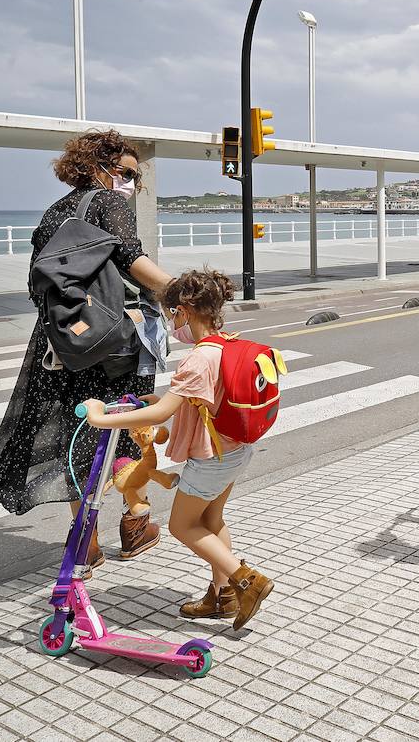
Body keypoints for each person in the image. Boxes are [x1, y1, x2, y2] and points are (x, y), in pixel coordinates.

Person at [0, 129, 174, 578]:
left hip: (63, 343)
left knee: (76, 436)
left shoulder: (53, 213)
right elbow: (131, 257)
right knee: (125, 426)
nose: (130, 184)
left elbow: (39, 283)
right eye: (126, 173)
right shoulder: (106, 203)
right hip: (111, 342)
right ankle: (136, 521)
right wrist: (179, 292)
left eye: (135, 178)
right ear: (96, 167)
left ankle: (84, 543)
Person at [84, 268, 274, 630]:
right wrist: (167, 397)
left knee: (183, 526)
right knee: (212, 521)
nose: (172, 322)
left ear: (184, 310)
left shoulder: (198, 358)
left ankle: (248, 581)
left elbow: (161, 413)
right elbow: (204, 398)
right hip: (235, 451)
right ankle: (223, 596)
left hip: (210, 460)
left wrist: (99, 418)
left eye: (172, 313)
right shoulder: (227, 343)